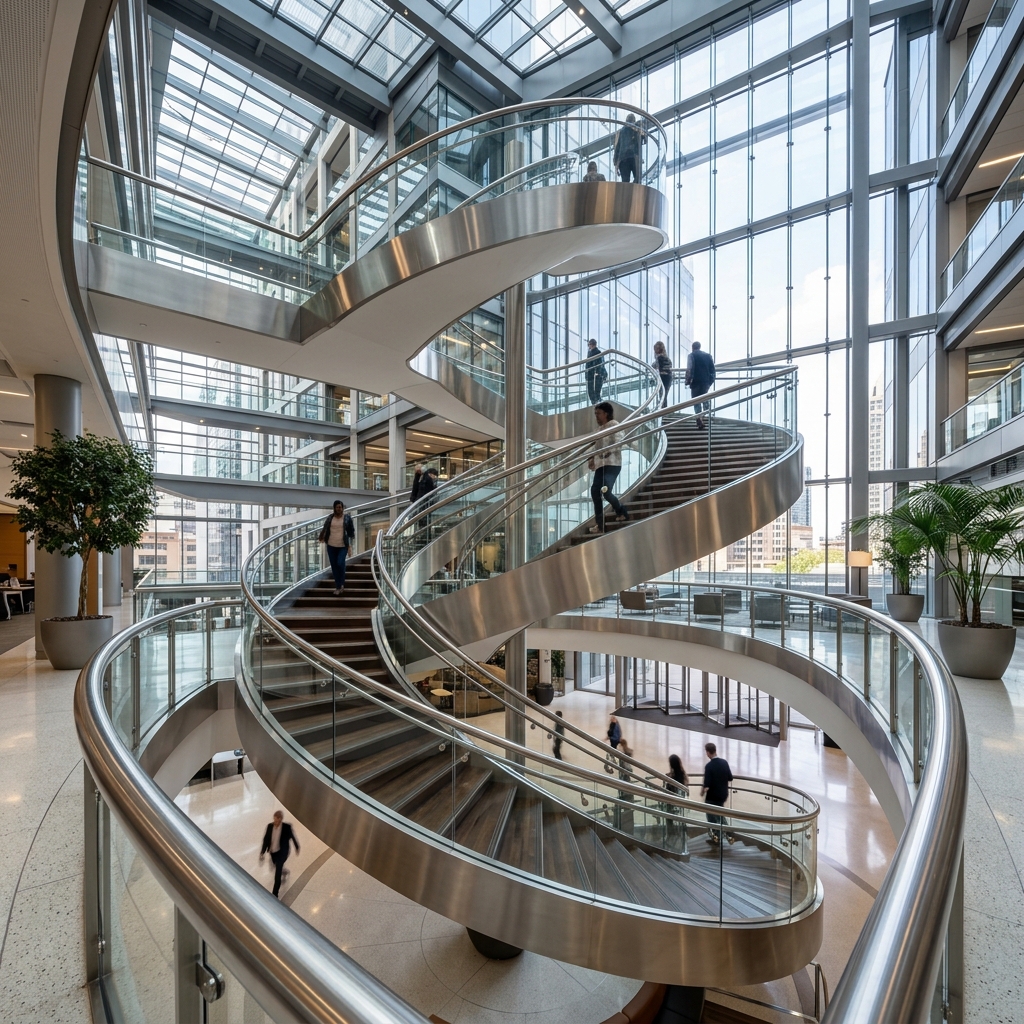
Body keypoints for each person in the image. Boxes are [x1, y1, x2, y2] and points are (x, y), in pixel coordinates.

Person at [588, 402, 629, 534]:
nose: (596, 417)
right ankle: (600, 525)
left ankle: (621, 511)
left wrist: (609, 451)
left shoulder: (614, 424)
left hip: (613, 464)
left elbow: (619, 440)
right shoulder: (598, 431)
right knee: (595, 491)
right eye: (595, 414)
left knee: (605, 489)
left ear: (606, 414)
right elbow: (594, 447)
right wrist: (591, 459)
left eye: (598, 414)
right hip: (601, 465)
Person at [260, 810, 301, 897]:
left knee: (277, 873)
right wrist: (262, 852)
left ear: (281, 819)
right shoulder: (270, 826)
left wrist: (297, 847)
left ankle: (275, 894)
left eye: (278, 820)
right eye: (275, 819)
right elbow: (266, 839)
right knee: (276, 865)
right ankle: (284, 871)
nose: (276, 822)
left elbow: (293, 837)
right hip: (273, 852)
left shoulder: (286, 827)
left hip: (282, 852)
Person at [318, 500, 354, 595]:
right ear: (334, 508)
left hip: (342, 545)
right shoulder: (330, 518)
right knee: (334, 566)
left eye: (340, 507)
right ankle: (338, 586)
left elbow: (351, 531)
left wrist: (350, 544)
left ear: (342, 508)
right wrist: (322, 536)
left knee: (340, 563)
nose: (339, 509)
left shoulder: (347, 518)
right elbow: (325, 528)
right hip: (331, 545)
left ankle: (341, 584)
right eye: (337, 507)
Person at [700, 742, 734, 844]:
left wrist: (702, 792)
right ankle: (728, 833)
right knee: (720, 814)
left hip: (712, 796)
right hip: (723, 794)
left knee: (711, 816)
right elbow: (730, 777)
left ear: (708, 752)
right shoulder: (724, 762)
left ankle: (716, 837)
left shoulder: (709, 766)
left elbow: (707, 785)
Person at [685, 341, 716, 430]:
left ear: (693, 347)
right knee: (705, 399)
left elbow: (689, 369)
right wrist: (710, 381)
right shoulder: (708, 356)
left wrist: (687, 381)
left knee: (696, 401)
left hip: (695, 382)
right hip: (705, 382)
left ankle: (699, 419)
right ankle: (706, 416)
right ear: (700, 347)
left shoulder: (691, 356)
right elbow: (713, 371)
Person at [613, 113, 643, 183]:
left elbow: (617, 148)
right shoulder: (636, 128)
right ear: (633, 120)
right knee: (637, 179)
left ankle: (628, 192)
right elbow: (644, 138)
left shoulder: (620, 132)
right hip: (634, 156)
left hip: (623, 159)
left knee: (625, 181)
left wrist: (616, 163)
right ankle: (635, 191)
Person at [585, 338, 607, 405]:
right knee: (595, 392)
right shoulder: (594, 353)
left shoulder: (596, 353)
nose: (588, 347)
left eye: (589, 345)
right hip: (595, 375)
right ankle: (597, 403)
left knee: (594, 392)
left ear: (591, 345)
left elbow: (597, 365)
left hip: (594, 376)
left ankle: (597, 403)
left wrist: (599, 374)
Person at [653, 341, 673, 409]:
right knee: (664, 395)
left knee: (662, 395)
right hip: (668, 377)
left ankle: (662, 411)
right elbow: (669, 366)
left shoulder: (659, 358)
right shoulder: (667, 358)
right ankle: (664, 410)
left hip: (663, 377)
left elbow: (655, 365)